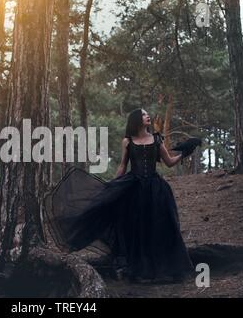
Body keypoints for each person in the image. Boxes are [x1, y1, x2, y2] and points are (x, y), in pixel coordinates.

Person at [45, 108, 198, 283]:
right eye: (143, 114)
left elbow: (169, 163)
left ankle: (167, 269)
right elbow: (123, 166)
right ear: (136, 120)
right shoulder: (128, 141)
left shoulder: (157, 139)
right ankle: (140, 271)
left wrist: (183, 153)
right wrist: (111, 188)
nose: (147, 116)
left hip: (156, 191)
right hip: (134, 189)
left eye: (147, 114)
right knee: (137, 230)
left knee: (160, 227)